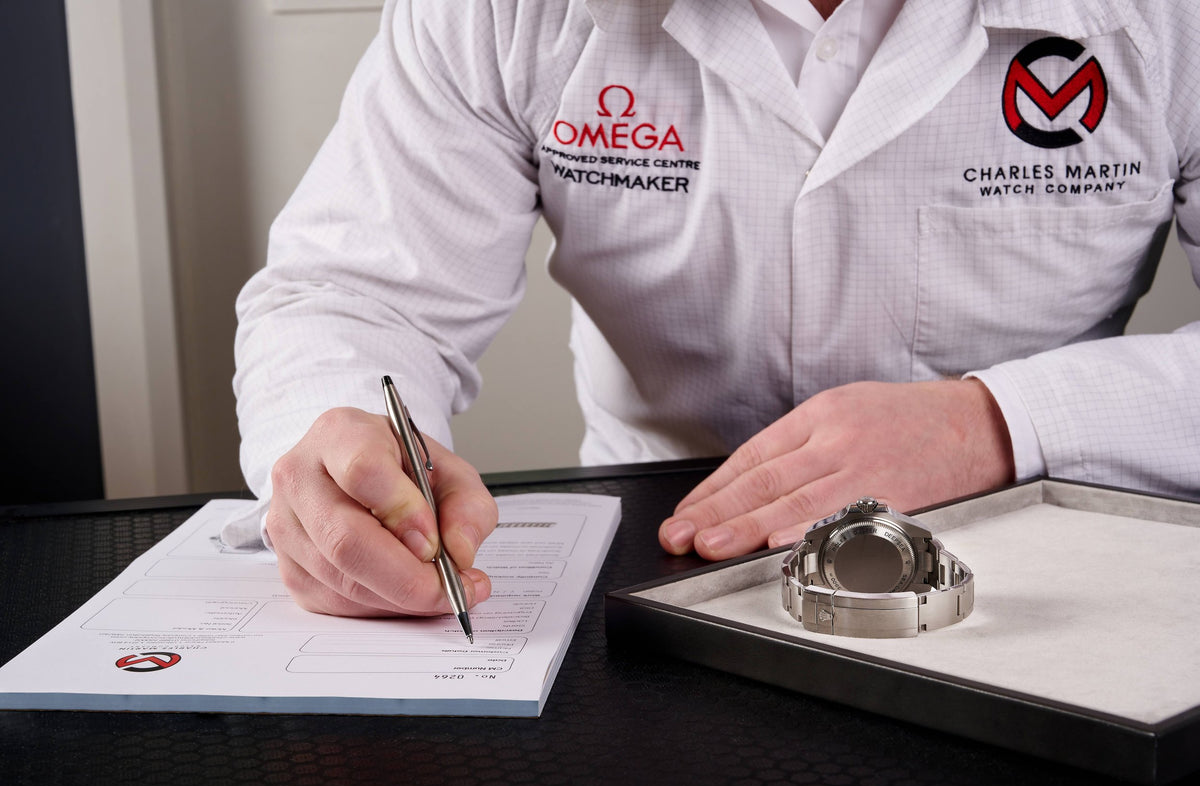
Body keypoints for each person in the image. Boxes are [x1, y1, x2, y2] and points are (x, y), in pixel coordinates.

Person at [227, 0, 1200, 617]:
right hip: (650, 571)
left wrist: (999, 421)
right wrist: (335, 437)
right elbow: (355, 291)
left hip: (1045, 568)